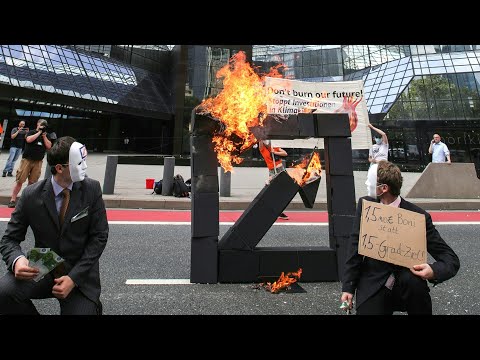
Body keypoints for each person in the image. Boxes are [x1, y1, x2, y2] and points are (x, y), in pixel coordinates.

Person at [0, 136, 109, 315]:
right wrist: (17, 261)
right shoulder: (30, 195)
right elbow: (9, 239)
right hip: (43, 264)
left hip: (78, 270)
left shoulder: (92, 189)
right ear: (59, 168)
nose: (85, 167)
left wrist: (73, 278)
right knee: (3, 293)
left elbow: (99, 237)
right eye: (79, 163)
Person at [340, 160, 460, 315]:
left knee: (416, 292)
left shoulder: (418, 216)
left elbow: (450, 259)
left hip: (409, 283)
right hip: (373, 281)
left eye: (370, 181)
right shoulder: (365, 206)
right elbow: (354, 248)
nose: (366, 183)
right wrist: (348, 288)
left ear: (384, 188)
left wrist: (433, 270)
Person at [7, 119, 53, 208]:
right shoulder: (31, 132)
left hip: (38, 162)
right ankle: (13, 199)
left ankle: (26, 200)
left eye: (44, 125)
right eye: (41, 124)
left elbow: (49, 146)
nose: (43, 126)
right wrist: (39, 132)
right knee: (20, 180)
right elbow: (28, 140)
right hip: (27, 160)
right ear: (37, 124)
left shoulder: (46, 135)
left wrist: (44, 136)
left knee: (32, 183)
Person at [259, 139, 289, 220]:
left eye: (268, 141)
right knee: (273, 190)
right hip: (273, 171)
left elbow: (285, 153)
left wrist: (275, 152)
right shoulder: (263, 149)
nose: (267, 142)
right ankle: (273, 209)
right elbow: (260, 140)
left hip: (281, 169)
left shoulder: (275, 147)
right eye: (266, 141)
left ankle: (279, 210)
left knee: (282, 191)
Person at [365, 123, 389, 197]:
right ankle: (374, 195)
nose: (378, 139)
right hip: (374, 166)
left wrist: (372, 127)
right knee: (373, 182)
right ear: (374, 138)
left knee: (383, 181)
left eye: (379, 138)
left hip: (383, 165)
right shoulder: (372, 147)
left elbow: (384, 134)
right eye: (377, 138)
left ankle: (383, 195)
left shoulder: (384, 145)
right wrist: (372, 160)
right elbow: (369, 158)